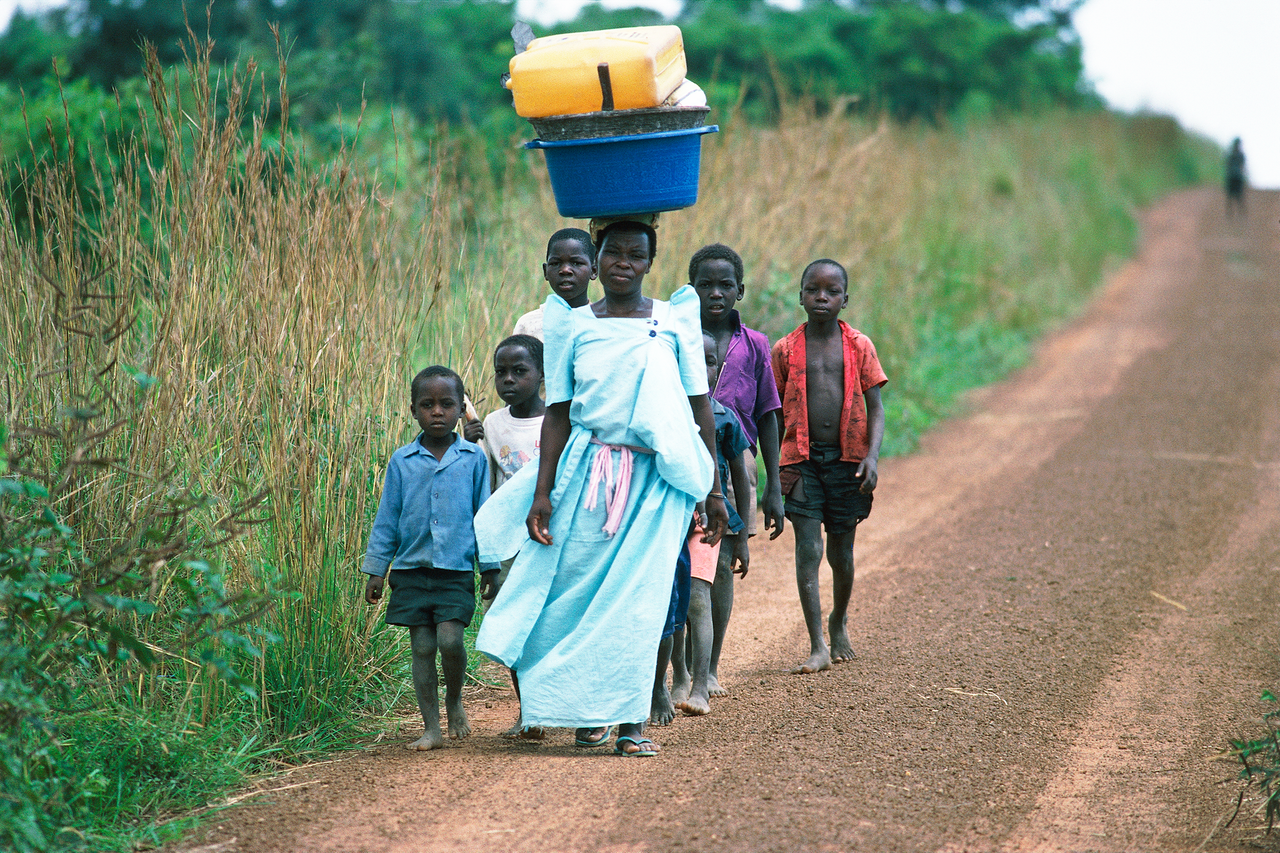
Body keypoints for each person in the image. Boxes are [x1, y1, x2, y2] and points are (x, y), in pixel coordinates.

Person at [473, 220, 728, 757]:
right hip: (589, 479)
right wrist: (541, 494)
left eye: (637, 255)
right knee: (578, 595)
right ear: (598, 259)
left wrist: (712, 488)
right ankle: (588, 712)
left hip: (656, 485)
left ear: (649, 264)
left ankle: (632, 723)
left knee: (640, 602)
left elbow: (697, 407)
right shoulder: (574, 326)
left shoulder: (672, 320)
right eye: (614, 252)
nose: (624, 263)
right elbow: (559, 416)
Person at [361, 366, 499, 749]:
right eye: (427, 405)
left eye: (446, 404)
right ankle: (431, 728)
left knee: (452, 641)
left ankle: (454, 701)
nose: (436, 412)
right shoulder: (402, 461)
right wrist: (376, 569)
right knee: (422, 647)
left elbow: (483, 515)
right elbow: (387, 518)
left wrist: (488, 566)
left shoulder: (473, 459)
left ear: (461, 410)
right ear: (412, 410)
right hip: (410, 569)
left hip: (455, 569)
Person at [678, 243, 784, 701]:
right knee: (681, 567)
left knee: (721, 564)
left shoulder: (756, 345)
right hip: (684, 458)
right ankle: (679, 672)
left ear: (740, 290)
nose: (715, 293)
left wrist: (773, 486)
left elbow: (767, 415)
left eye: (725, 285)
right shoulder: (677, 337)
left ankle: (710, 666)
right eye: (705, 284)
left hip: (736, 462)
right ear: (690, 289)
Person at [771, 259, 886, 675]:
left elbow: (876, 408)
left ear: (845, 299)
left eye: (831, 291)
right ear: (800, 295)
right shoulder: (784, 350)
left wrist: (871, 456)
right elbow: (772, 413)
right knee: (809, 550)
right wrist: (772, 475)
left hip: (847, 461)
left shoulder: (858, 346)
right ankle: (817, 643)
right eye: (813, 290)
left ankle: (838, 620)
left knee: (841, 553)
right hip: (801, 461)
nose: (822, 297)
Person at [672, 333, 753, 717]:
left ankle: (703, 681)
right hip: (669, 516)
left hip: (709, 519)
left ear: (716, 369)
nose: (697, 369)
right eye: (687, 360)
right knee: (671, 602)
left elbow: (742, 477)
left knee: (699, 600)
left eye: (706, 361)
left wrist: (745, 535)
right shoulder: (663, 415)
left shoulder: (723, 417)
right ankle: (678, 678)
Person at [477, 334, 547, 740]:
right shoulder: (491, 424)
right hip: (508, 544)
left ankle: (571, 707)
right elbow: (488, 484)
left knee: (550, 622)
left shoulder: (558, 418)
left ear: (541, 375)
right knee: (516, 628)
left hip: (548, 538)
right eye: (501, 372)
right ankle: (530, 711)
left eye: (519, 371)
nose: (509, 380)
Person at [511, 227, 597, 339]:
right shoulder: (529, 325)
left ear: (594, 271)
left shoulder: (602, 323)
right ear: (545, 271)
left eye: (576, 263)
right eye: (556, 263)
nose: (565, 270)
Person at [1225, 137, 1247, 218]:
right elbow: (1243, 167)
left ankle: (1232, 213)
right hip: (1236, 177)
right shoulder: (1240, 155)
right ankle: (1239, 214)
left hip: (1233, 177)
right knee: (1237, 196)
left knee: (1232, 197)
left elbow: (1227, 165)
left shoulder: (1231, 154)